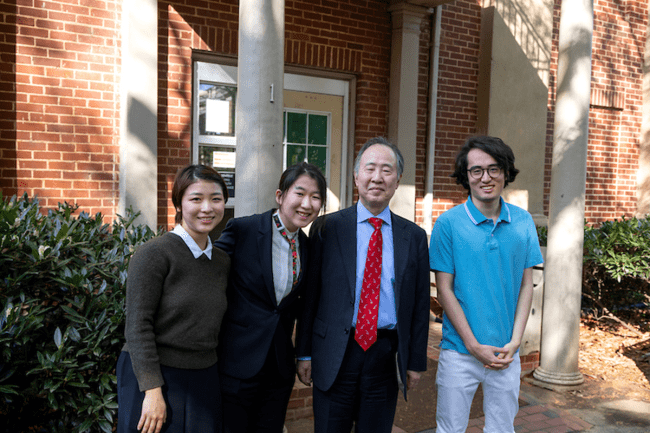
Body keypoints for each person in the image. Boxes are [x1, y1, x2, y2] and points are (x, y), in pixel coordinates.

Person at [296, 137, 430, 433]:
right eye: (370, 168)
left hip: (385, 355)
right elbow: (310, 297)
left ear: (397, 181)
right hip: (334, 352)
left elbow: (419, 305)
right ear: (356, 176)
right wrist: (303, 352)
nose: (377, 177)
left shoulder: (414, 237)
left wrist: (415, 362)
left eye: (387, 170)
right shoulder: (327, 228)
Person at [429, 135, 544, 433]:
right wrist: (472, 345)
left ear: (506, 172)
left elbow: (525, 285)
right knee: (450, 430)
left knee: (502, 430)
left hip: (507, 352)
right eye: (476, 170)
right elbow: (445, 290)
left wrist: (516, 341)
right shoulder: (448, 224)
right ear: (465, 176)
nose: (485, 177)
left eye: (494, 169)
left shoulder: (522, 222)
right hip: (459, 352)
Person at [214, 162, 327, 433]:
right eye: (299, 194)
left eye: (315, 197)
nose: (306, 203)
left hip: (278, 367)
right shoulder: (243, 230)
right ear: (280, 196)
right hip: (236, 362)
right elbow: (208, 275)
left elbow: (306, 306)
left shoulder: (309, 247)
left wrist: (304, 354)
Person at [117, 164, 230, 433]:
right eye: (196, 199)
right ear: (179, 203)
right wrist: (152, 391)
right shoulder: (154, 254)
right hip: (155, 376)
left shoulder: (222, 261)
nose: (207, 208)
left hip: (204, 376)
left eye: (216, 199)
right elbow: (137, 326)